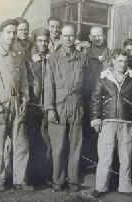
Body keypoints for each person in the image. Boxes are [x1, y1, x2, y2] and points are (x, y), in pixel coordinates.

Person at [0, 19, 33, 191]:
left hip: (17, 104)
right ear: (1, 33)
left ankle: (20, 180)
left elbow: (24, 79)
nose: (12, 36)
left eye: (14, 32)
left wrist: (25, 98)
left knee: (21, 144)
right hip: (0, 106)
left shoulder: (19, 53)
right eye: (8, 32)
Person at [89, 49, 132, 197]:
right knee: (105, 156)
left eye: (125, 61)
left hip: (126, 123)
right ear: (113, 61)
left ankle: (125, 187)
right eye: (119, 60)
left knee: (126, 157)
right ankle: (100, 187)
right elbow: (95, 100)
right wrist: (96, 118)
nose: (123, 64)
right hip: (108, 122)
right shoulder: (104, 79)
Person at [44, 24, 87, 192]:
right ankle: (58, 181)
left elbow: (87, 84)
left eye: (71, 36)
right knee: (58, 146)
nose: (68, 39)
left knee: (75, 145)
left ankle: (74, 181)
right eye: (65, 36)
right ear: (61, 37)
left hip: (76, 104)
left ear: (74, 37)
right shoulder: (53, 58)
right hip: (58, 105)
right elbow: (48, 85)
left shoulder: (81, 57)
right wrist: (50, 108)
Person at [82, 26, 110, 169]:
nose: (97, 38)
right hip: (87, 97)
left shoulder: (109, 53)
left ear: (104, 36)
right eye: (94, 36)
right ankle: (87, 162)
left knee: (102, 132)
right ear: (89, 37)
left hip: (104, 98)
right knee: (87, 130)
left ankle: (100, 164)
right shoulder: (85, 52)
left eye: (99, 35)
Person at [26, 28, 51, 185]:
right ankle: (28, 177)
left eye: (46, 41)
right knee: (30, 141)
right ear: (34, 41)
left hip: (46, 106)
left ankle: (44, 176)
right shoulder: (28, 59)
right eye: (40, 40)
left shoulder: (51, 58)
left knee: (46, 143)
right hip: (31, 106)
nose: (43, 43)